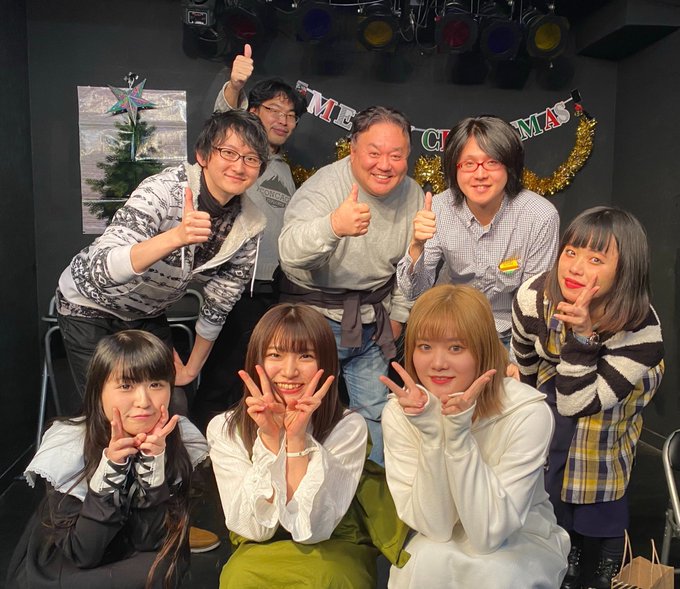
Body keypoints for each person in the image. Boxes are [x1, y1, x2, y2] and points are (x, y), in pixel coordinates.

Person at [56, 109, 270, 397]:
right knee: (110, 406)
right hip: (89, 304)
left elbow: (221, 301)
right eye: (228, 152)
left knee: (172, 402)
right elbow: (102, 270)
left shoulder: (250, 224)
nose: (239, 166)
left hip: (148, 312)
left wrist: (192, 369)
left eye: (251, 158)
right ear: (203, 155)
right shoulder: (163, 191)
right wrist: (176, 237)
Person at [512, 206, 664, 589]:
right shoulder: (534, 297)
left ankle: (606, 558)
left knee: (596, 445)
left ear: (625, 270)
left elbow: (578, 404)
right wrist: (529, 401)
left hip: (615, 384)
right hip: (561, 368)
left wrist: (582, 337)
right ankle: (565, 544)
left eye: (596, 259)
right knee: (553, 447)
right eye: (571, 252)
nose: (576, 268)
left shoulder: (642, 331)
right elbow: (525, 353)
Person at [206, 303, 409, 588]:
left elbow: (313, 530)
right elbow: (254, 529)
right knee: (240, 577)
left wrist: (297, 439)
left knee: (329, 579)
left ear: (325, 363)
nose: (290, 371)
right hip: (259, 546)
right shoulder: (225, 428)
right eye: (275, 355)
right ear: (256, 360)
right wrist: (270, 440)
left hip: (335, 541)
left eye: (305, 356)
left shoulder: (347, 426)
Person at [381, 284, 570, 588]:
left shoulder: (526, 412)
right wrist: (432, 435)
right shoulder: (401, 413)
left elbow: (489, 535)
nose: (438, 363)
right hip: (440, 536)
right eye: (425, 346)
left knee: (496, 574)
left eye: (456, 348)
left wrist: (457, 438)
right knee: (423, 562)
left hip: (518, 534)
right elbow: (436, 527)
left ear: (483, 350)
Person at [278, 106, 424, 464]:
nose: (384, 165)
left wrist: (399, 314)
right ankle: (300, 483)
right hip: (313, 322)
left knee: (374, 412)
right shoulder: (324, 186)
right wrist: (333, 226)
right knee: (303, 411)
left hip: (372, 321)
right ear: (353, 150)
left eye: (396, 155)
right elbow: (289, 252)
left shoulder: (413, 194)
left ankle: (371, 488)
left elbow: (409, 262)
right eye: (374, 153)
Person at [7, 330, 209, 589]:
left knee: (166, 566)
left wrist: (152, 466)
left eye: (156, 384)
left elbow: (150, 541)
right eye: (126, 386)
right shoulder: (68, 443)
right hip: (66, 560)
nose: (143, 401)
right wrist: (112, 469)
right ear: (98, 391)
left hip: (130, 554)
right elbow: (83, 553)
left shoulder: (181, 440)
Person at [195, 43, 307, 430]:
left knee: (256, 378)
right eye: (274, 110)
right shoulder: (241, 154)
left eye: (291, 115)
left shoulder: (281, 169)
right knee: (223, 374)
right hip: (237, 287)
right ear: (254, 112)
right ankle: (201, 450)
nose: (284, 120)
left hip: (271, 289)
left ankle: (244, 443)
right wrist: (235, 85)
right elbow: (224, 121)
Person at [396, 115, 559, 343]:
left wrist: (515, 356)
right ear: (455, 168)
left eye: (492, 162)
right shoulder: (439, 208)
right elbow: (413, 291)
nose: (480, 174)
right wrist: (416, 246)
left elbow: (534, 303)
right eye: (469, 164)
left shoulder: (539, 216)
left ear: (510, 166)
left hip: (509, 333)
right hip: (450, 326)